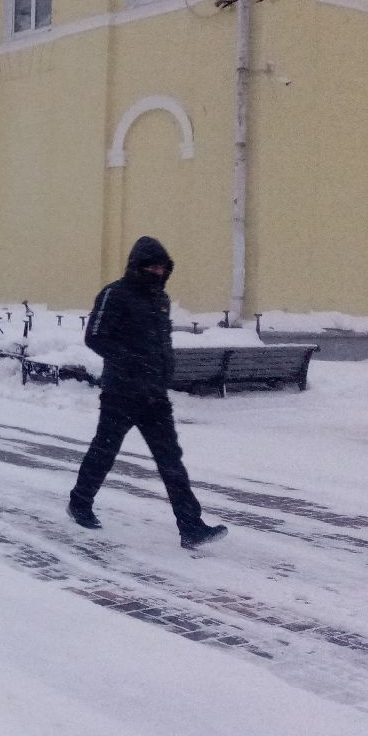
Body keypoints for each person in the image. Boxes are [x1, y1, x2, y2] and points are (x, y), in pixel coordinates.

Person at [67, 236, 228, 550]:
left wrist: (163, 373)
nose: (157, 271)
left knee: (171, 461)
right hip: (121, 393)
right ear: (137, 265)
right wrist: (131, 361)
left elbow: (160, 343)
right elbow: (95, 337)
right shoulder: (115, 294)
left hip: (154, 396)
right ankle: (80, 502)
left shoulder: (160, 299)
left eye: (162, 266)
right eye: (152, 266)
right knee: (105, 451)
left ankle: (191, 527)